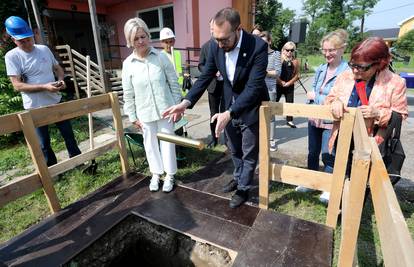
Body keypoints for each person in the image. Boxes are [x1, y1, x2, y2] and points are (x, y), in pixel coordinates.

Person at [163, 8, 269, 208]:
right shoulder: (215, 45)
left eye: (224, 40)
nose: (220, 44)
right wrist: (186, 103)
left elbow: (254, 87)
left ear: (238, 29)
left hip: (251, 107)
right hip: (227, 104)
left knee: (248, 151)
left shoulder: (258, 47)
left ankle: (244, 189)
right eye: (216, 39)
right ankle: (238, 177)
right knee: (233, 147)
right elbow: (205, 76)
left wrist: (230, 113)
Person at [4, 16, 81, 167]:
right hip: (34, 107)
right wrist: (45, 87)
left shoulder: (44, 49)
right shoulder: (12, 57)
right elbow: (17, 85)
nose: (27, 43)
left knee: (69, 135)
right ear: (13, 40)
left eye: (28, 39)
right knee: (43, 143)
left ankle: (78, 161)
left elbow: (58, 68)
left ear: (32, 34)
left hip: (55, 101)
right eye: (22, 41)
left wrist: (61, 80)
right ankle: (51, 170)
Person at [326, 37, 408, 177]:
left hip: (371, 144)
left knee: (361, 184)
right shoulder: (345, 76)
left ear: (379, 63)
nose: (355, 71)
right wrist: (335, 102)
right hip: (342, 139)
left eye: (362, 67)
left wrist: (378, 113)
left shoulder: (395, 82)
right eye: (353, 64)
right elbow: (330, 99)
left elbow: (400, 115)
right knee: (340, 179)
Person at [122, 18, 181, 193]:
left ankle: (170, 174)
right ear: (129, 41)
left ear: (148, 36)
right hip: (144, 113)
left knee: (168, 142)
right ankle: (156, 173)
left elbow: (174, 84)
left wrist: (177, 106)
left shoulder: (162, 57)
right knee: (150, 144)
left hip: (166, 110)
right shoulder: (127, 65)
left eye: (143, 36)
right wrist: (132, 116)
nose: (140, 41)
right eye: (136, 38)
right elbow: (128, 93)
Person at [295, 29, 349, 204]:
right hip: (314, 117)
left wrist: (315, 98)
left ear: (342, 49)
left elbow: (340, 99)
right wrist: (313, 103)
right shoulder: (320, 69)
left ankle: (327, 187)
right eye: (324, 50)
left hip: (331, 121)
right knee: (312, 152)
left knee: (328, 154)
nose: (327, 54)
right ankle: (310, 181)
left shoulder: (347, 72)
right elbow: (315, 90)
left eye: (331, 50)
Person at [198, 19, 224, 147]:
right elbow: (200, 66)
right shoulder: (205, 46)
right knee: (213, 114)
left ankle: (229, 139)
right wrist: (213, 72)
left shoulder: (225, 44)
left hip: (226, 86)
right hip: (213, 86)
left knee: (227, 112)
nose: (213, 30)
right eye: (211, 28)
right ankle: (214, 139)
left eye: (215, 27)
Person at [260, 31, 281, 151]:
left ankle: (271, 140)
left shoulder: (276, 54)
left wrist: (265, 73)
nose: (262, 44)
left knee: (271, 115)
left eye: (264, 42)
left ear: (269, 41)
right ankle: (261, 138)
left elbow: (278, 72)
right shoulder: (257, 53)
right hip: (257, 89)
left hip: (270, 89)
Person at [276, 41, 300, 128]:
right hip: (279, 84)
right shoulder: (279, 59)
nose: (289, 52)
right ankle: (270, 117)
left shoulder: (295, 61)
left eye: (292, 50)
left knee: (290, 102)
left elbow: (297, 75)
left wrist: (290, 83)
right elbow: (274, 72)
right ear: (283, 50)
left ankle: (289, 120)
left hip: (289, 85)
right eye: (287, 50)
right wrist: (280, 81)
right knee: (274, 101)